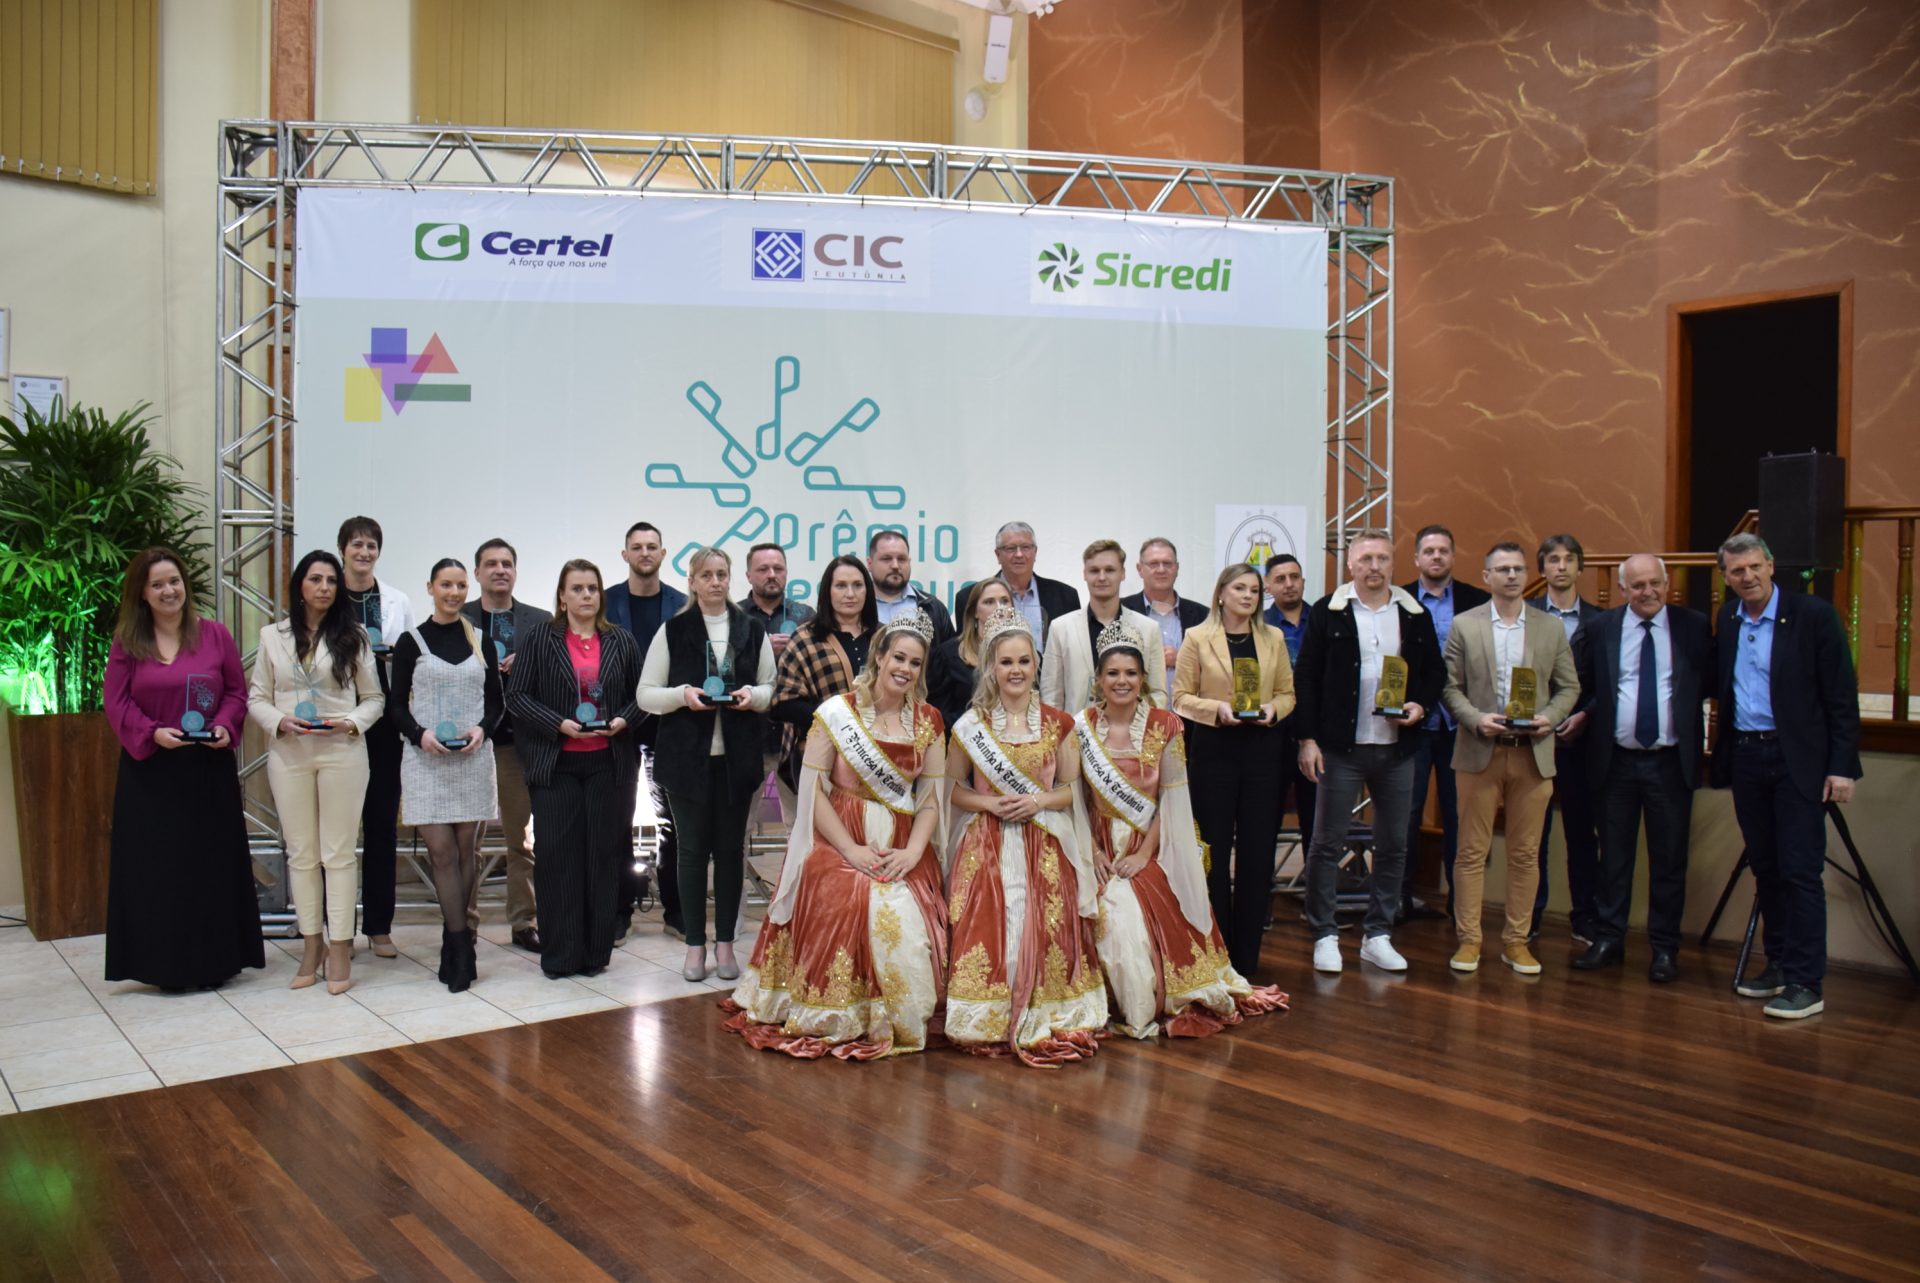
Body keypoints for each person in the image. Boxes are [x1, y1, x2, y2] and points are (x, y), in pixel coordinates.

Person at [724, 610, 948, 1058]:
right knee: (847, 899)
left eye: (915, 662)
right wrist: (851, 850)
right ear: (879, 657)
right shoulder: (836, 712)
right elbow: (814, 793)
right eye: (898, 657)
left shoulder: (930, 722)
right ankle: (843, 1013)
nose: (905, 669)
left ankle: (896, 1017)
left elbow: (930, 799)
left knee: (908, 924)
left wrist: (913, 852)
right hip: (838, 837)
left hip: (903, 843)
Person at [1079, 622, 1287, 1038]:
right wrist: (1094, 853)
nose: (1122, 681)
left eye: (1131, 673)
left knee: (1127, 921)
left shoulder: (1167, 726)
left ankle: (1146, 1000)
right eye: (1113, 673)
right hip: (1094, 848)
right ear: (1099, 679)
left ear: (1143, 677)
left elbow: (1172, 803)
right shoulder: (1080, 725)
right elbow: (1076, 801)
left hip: (1150, 847)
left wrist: (1143, 855)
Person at [945, 607, 1107, 1064]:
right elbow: (953, 789)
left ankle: (1048, 1006)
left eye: (1023, 661)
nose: (1015, 670)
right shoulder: (970, 725)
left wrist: (1036, 801)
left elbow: (1071, 791)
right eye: (1006, 662)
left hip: (1046, 840)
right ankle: (989, 1015)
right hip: (986, 841)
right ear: (991, 668)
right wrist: (990, 804)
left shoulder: (1060, 724)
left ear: (1036, 664)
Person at [1711, 532, 1861, 1020]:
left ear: (1771, 566)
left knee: (1800, 872)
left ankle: (1805, 982)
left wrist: (1841, 767)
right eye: (1737, 571)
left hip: (1798, 761)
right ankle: (1777, 964)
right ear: (1727, 577)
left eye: (1755, 566)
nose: (1748, 577)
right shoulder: (1728, 619)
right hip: (1747, 758)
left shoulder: (1813, 616)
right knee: (1767, 869)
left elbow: (1841, 697)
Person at [102, 548, 264, 992]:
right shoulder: (127, 642)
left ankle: (215, 963)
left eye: (174, 581)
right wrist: (152, 732)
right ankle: (163, 968)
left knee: (209, 866)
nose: (168, 591)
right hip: (151, 773)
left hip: (206, 770)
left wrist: (224, 726)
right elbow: (116, 702)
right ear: (142, 593)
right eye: (157, 584)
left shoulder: (214, 635)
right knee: (158, 870)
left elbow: (236, 692)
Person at [1294, 533, 1442, 974]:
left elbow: (1434, 673)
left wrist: (1420, 705)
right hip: (1341, 748)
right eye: (1365, 559)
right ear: (1350, 565)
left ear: (1394, 563)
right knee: (1326, 844)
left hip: (1397, 750)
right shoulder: (1328, 611)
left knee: (1394, 844)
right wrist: (1307, 739)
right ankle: (1325, 934)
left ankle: (1378, 934)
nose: (1374, 566)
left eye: (1382, 558)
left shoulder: (1414, 615)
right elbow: (1306, 678)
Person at [1569, 555, 1715, 982]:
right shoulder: (1602, 628)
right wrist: (1585, 714)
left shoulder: (1693, 626)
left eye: (1654, 583)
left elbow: (1707, 682)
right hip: (1615, 762)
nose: (1647, 591)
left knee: (1668, 861)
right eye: (1637, 586)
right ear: (1623, 590)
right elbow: (1585, 685)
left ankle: (1665, 949)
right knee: (1613, 859)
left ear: (1667, 584)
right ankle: (1609, 939)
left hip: (1670, 763)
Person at [248, 550, 385, 994]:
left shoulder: (354, 635)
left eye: (331, 580)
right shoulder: (272, 636)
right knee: (301, 854)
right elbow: (257, 698)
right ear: (300, 586)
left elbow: (374, 699)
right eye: (315, 579)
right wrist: (279, 721)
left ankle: (340, 946)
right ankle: (312, 945)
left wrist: (351, 723)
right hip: (290, 753)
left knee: (338, 854)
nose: (324, 587)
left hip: (342, 750)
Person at [639, 547, 776, 982]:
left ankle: (726, 945)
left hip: (737, 761)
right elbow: (645, 694)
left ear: (730, 579)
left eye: (721, 574)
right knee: (692, 853)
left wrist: (752, 696)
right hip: (686, 762)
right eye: (706, 575)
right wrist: (682, 695)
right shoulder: (673, 630)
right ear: (692, 582)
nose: (715, 582)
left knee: (731, 852)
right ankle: (695, 946)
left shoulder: (751, 629)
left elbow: (771, 687)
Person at [1441, 542, 1579, 975]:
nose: (1512, 575)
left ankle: (1517, 942)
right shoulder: (1465, 625)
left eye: (1518, 568)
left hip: (1532, 755)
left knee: (1525, 854)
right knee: (1470, 852)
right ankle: (1469, 940)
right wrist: (1475, 719)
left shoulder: (1550, 627)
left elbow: (1569, 687)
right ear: (1486, 576)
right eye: (1502, 569)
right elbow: (1449, 686)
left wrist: (1550, 718)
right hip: (1479, 751)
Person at [506, 559, 642, 980]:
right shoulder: (540, 638)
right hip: (557, 763)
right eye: (577, 588)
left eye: (592, 588)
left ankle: (595, 953)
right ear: (562, 596)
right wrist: (557, 723)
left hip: (608, 763)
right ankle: (561, 955)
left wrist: (623, 719)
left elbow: (641, 697)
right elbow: (517, 696)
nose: (586, 595)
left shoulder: (621, 640)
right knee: (557, 858)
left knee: (602, 858)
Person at [1171, 564, 1296, 979]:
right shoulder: (1197, 637)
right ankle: (1216, 951)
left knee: (1258, 855)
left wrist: (1274, 709)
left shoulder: (1274, 638)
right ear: (1221, 593)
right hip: (1214, 751)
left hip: (1262, 751)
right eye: (1240, 588)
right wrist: (1217, 710)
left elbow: (1288, 694)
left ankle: (1247, 958)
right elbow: (1180, 698)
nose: (1248, 596)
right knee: (1214, 852)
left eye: (1255, 590)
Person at [390, 558, 503, 992]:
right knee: (441, 853)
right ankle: (459, 944)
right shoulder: (411, 641)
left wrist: (482, 730)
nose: (453, 593)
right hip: (426, 762)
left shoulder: (482, 640)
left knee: (466, 852)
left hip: (472, 760)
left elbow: (496, 703)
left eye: (460, 585)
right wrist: (420, 735)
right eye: (445, 585)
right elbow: (395, 704)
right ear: (430, 588)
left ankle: (459, 939)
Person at [460, 538, 551, 953]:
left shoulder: (540, 622)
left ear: (515, 571)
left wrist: (528, 666)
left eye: (507, 564)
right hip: (468, 744)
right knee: (467, 842)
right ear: (477, 572)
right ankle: (463, 923)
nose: (500, 570)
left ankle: (524, 922)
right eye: (491, 564)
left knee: (522, 840)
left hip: (519, 743)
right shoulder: (458, 618)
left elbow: (557, 681)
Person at [604, 521, 688, 939]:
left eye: (652, 546)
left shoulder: (682, 604)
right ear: (625, 555)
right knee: (617, 817)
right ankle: (619, 911)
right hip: (618, 721)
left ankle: (676, 910)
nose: (645, 553)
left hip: (667, 723)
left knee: (671, 819)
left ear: (663, 553)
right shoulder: (605, 602)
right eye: (636, 547)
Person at [1403, 524, 1489, 921]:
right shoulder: (1400, 600)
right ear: (1417, 558)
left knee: (1461, 817)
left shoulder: (1478, 601)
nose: (1436, 557)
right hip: (1413, 724)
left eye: (1443, 550)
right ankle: (1400, 899)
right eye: (1429, 551)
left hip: (1462, 726)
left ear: (1453, 556)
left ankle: (1461, 905)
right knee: (1406, 813)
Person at [337, 516, 414, 960]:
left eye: (371, 546)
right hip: (338, 721)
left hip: (384, 723)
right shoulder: (328, 596)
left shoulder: (398, 600)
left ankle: (380, 927)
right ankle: (338, 928)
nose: (364, 553)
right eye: (357, 545)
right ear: (343, 550)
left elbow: (412, 659)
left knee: (382, 825)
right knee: (339, 831)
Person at [1526, 533, 1605, 944]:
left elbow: (1607, 680)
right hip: (1534, 738)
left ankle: (1585, 915)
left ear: (1579, 567)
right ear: (1542, 568)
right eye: (1553, 559)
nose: (1561, 566)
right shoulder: (1525, 616)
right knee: (1532, 834)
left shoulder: (1601, 621)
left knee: (1581, 833)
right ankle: (1531, 913)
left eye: (1569, 559)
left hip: (1580, 740)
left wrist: (1585, 714)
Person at [771, 555, 879, 789]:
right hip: (822, 754)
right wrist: (838, 721)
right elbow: (783, 704)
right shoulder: (806, 638)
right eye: (841, 585)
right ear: (827, 591)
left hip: (879, 757)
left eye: (857, 585)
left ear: (868, 591)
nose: (850, 594)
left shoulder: (885, 638)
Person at [738, 541, 815, 829]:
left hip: (795, 739)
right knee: (738, 828)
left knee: (802, 827)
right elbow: (723, 670)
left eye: (778, 568)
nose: (771, 574)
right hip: (748, 736)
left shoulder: (806, 615)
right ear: (748, 575)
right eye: (763, 569)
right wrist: (761, 650)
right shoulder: (734, 616)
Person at [1041, 539, 1166, 715]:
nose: (1101, 577)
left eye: (1109, 570)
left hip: (1132, 731)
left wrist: (1137, 725)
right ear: (1084, 574)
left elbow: (1157, 693)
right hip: (1076, 730)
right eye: (1094, 570)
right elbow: (1051, 696)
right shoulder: (1061, 628)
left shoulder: (1148, 629)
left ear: (1122, 573)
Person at [1264, 553, 1317, 866]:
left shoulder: (1323, 619)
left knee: (1317, 822)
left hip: (1315, 734)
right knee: (1266, 819)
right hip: (1272, 733)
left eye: (1294, 577)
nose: (1288, 584)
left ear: (1303, 582)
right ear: (1268, 586)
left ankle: (1316, 893)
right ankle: (1262, 892)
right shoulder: (1258, 624)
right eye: (1280, 579)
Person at [954, 521, 1080, 644]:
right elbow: (962, 649)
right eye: (1011, 548)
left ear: (1035, 552)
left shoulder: (1066, 596)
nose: (1019, 554)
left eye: (1026, 547)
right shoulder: (968, 597)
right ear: (998, 555)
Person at [1122, 537, 1209, 692]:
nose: (1161, 569)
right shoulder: (1121, 611)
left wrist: (1182, 660)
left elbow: (1215, 669)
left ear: (1177, 568)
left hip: (1188, 707)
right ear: (1139, 569)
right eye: (1153, 564)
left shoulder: (1203, 615)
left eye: (1167, 563)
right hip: (1137, 706)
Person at [929, 575, 1012, 732]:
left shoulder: (1026, 654)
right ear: (974, 612)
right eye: (989, 602)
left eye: (1005, 601)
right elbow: (938, 715)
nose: (999, 608)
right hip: (964, 739)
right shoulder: (948, 655)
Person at [867, 529, 956, 643]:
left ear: (909, 562)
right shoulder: (855, 605)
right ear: (869, 564)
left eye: (901, 559)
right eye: (886, 559)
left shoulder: (933, 608)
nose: (895, 565)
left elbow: (949, 652)